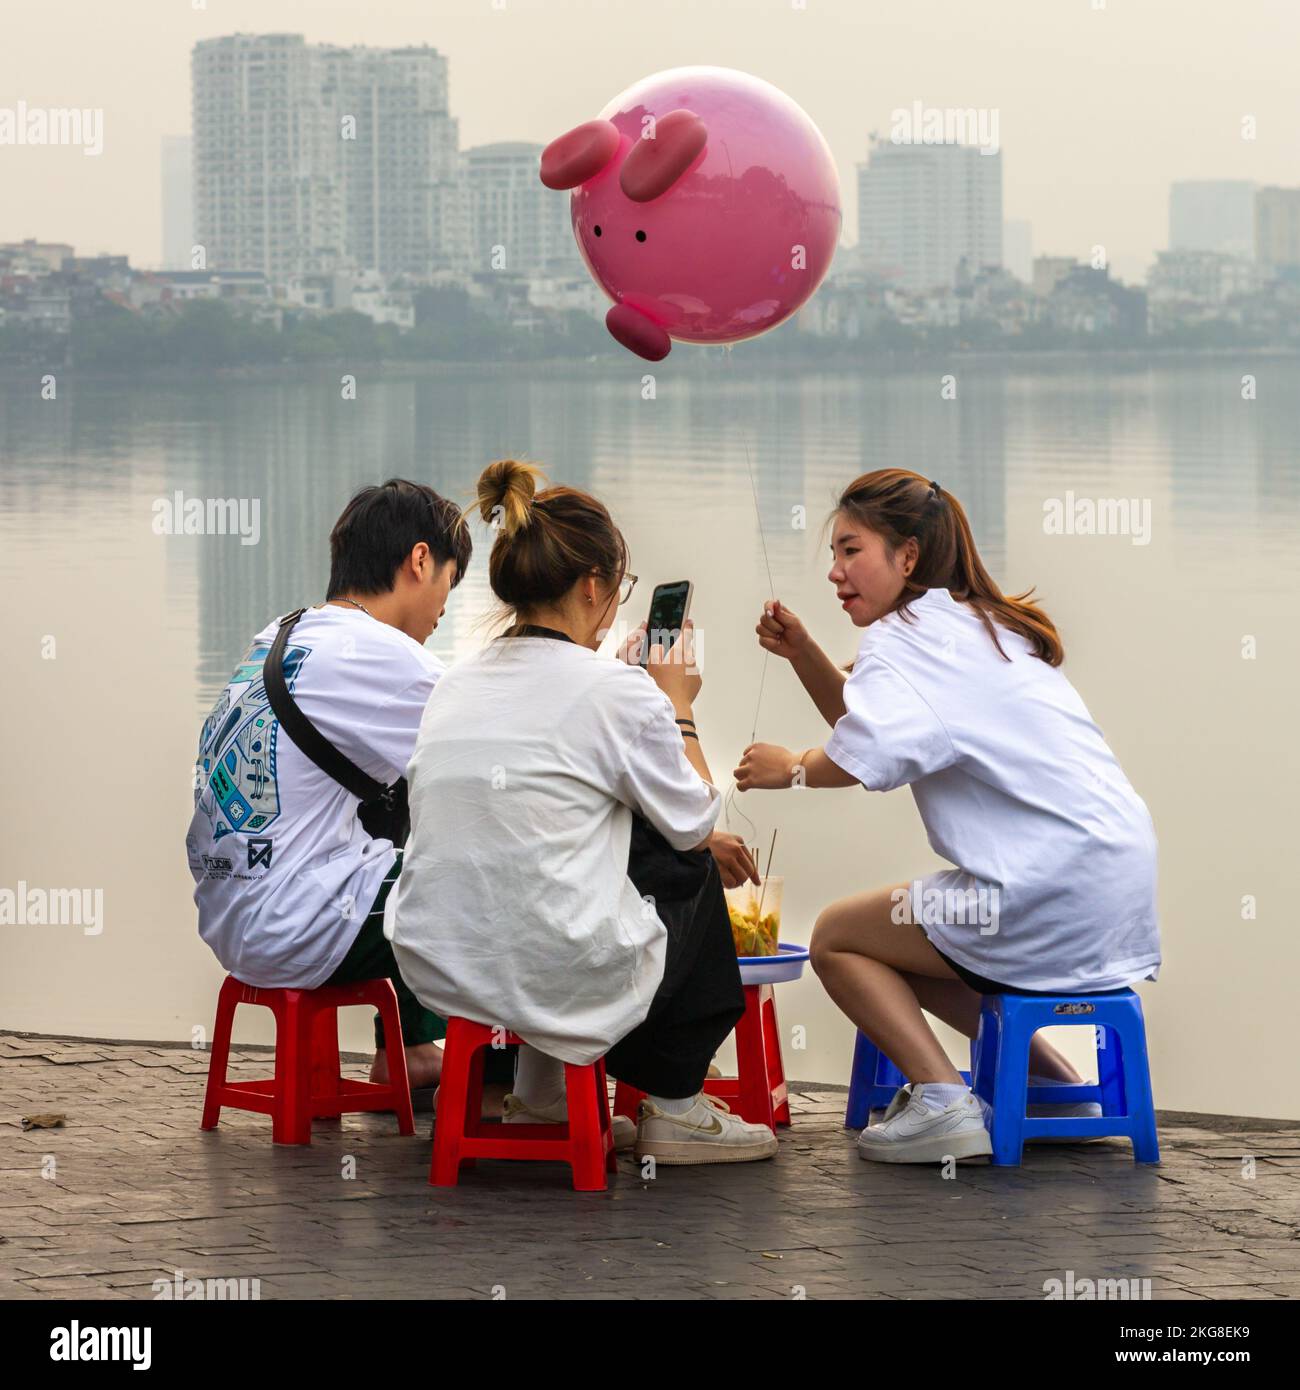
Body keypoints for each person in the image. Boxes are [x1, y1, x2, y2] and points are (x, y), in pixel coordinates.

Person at [735, 469, 1160, 1163]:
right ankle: (1051, 1084)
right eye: (834, 556)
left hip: (1040, 891)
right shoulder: (984, 626)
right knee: (913, 937)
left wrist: (791, 768)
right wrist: (806, 654)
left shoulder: (905, 638)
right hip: (1114, 889)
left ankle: (942, 1102)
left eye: (851, 551)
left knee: (839, 936)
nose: (837, 573)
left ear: (907, 555)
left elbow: (863, 754)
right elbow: (876, 727)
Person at [389, 459, 778, 1164]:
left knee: (570, 840)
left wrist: (636, 698)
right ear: (595, 586)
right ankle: (677, 1106)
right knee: (682, 855)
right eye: (617, 588)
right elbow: (692, 818)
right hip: (554, 962)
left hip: (441, 960)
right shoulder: (617, 694)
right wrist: (676, 703)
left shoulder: (454, 683)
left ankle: (541, 1095)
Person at [188, 478, 476, 1097]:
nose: (445, 608)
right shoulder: (381, 656)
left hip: (230, 916)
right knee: (494, 880)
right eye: (450, 583)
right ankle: (535, 1088)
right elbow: (505, 760)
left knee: (399, 804)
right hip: (297, 923)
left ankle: (413, 1047)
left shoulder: (284, 633)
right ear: (420, 561)